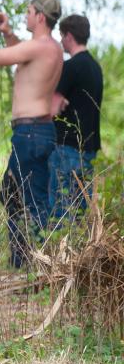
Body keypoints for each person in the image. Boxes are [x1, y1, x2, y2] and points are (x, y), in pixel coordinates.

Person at [0, 0, 63, 269]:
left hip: (32, 133)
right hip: (32, 133)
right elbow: (21, 56)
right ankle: (21, 262)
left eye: (28, 12)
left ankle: (40, 267)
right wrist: (7, 33)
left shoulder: (40, 46)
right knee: (13, 196)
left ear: (40, 16)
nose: (25, 16)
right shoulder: (48, 48)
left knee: (33, 202)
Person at [49, 14, 103, 227]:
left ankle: (58, 249)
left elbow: (53, 108)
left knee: (60, 211)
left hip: (67, 148)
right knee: (79, 213)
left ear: (69, 36)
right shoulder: (95, 68)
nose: (61, 41)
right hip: (89, 150)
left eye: (62, 36)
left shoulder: (70, 67)